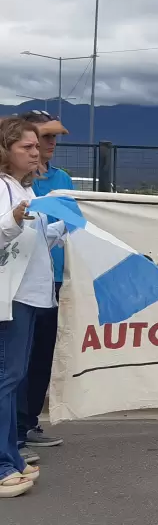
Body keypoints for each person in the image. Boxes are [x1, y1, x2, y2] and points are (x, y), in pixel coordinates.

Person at [0, 117, 67, 497]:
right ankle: (2, 462)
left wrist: (62, 227)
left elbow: (31, 241)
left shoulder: (20, 189)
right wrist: (13, 218)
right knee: (6, 381)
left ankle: (9, 456)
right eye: (26, 146)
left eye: (36, 146)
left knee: (12, 380)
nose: (36, 151)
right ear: (6, 149)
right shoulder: (4, 189)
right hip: (12, 298)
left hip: (27, 297)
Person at [15, 112, 71, 458]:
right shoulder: (14, 182)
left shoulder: (61, 178)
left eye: (51, 139)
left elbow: (72, 221)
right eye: (40, 139)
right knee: (14, 361)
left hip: (51, 278)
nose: (47, 146)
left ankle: (27, 422)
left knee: (39, 356)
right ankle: (13, 436)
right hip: (17, 283)